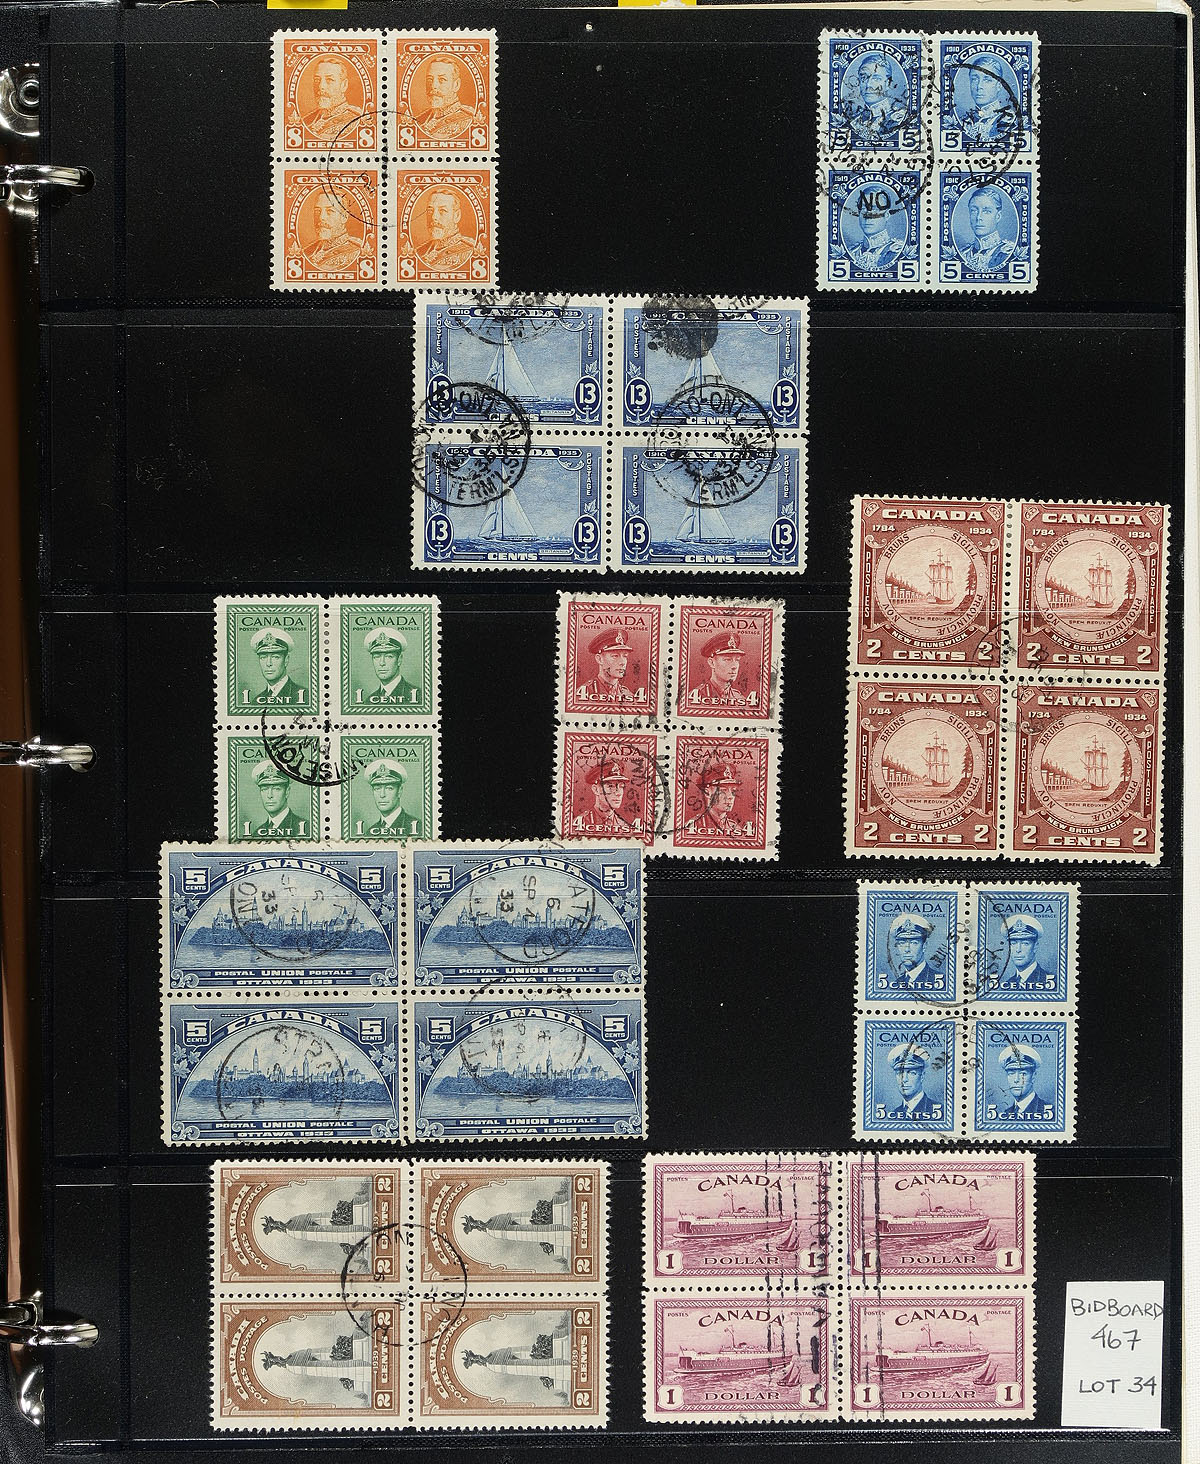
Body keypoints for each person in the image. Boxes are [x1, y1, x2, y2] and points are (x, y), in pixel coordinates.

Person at [843, 52, 910, 143]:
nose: (868, 85)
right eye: (864, 77)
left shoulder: (899, 118)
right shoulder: (854, 122)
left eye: (876, 79)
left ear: (888, 84)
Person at [955, 56, 1019, 144]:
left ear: (999, 85)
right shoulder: (965, 121)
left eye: (987, 80)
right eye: (974, 79)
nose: (979, 86)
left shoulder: (1009, 120)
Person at [414, 56, 479, 142]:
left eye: (442, 79)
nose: (433, 86)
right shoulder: (420, 119)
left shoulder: (469, 119)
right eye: (429, 79)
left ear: (456, 85)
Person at [683, 763, 753, 839]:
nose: (730, 796)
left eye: (733, 791)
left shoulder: (736, 828)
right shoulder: (692, 827)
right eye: (723, 790)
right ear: (707, 793)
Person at [958, 185, 1017, 274]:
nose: (978, 217)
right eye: (974, 211)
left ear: (998, 216)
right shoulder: (963, 253)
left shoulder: (1009, 252)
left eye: (986, 211)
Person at [302, 56, 362, 143]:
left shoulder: (356, 120)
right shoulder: (307, 120)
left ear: (344, 85)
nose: (321, 86)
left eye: (329, 80)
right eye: (317, 80)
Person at [303, 187, 363, 272]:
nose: (321, 217)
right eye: (317, 211)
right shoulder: (307, 251)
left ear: (344, 217)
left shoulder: (356, 251)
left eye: (330, 211)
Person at [847, 186, 905, 272]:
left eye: (875, 210)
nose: (867, 216)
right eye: (863, 209)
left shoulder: (898, 250)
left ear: (887, 215)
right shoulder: (852, 252)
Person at [360, 758, 421, 836]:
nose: (382, 795)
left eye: (389, 788)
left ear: (400, 791)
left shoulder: (418, 828)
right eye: (377, 789)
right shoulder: (369, 834)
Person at [419, 188, 476, 272]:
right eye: (430, 210)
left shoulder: (470, 251)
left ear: (456, 216)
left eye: (442, 210)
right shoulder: (420, 251)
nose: (434, 217)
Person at [994, 914, 1055, 992]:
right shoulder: (1006, 985)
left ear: (1035, 946)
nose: (1018, 949)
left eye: (1025, 943)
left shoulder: (1051, 982)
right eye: (1013, 943)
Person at [362, 626, 421, 705]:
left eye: (389, 656)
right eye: (377, 657)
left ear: (399, 659)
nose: (382, 663)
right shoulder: (369, 701)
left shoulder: (418, 697)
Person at [689, 632, 749, 707]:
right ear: (712, 663)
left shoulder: (740, 699)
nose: (734, 666)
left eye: (737, 660)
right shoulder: (694, 698)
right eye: (727, 660)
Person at [250, 628, 308, 706]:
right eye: (263, 657)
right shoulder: (256, 702)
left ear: (286, 660)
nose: (268, 663)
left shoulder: (305, 697)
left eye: (275, 657)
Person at [576, 629, 636, 703]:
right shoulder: (583, 694)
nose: (622, 662)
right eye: (615, 656)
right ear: (599, 659)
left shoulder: (629, 695)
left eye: (625, 656)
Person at [250, 761, 307, 837]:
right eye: (264, 789)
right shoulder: (256, 834)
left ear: (287, 791)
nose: (269, 795)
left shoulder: (305, 828)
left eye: (276, 789)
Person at [996, 1043, 1051, 1118]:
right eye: (1011, 1073)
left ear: (1033, 1076)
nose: (1016, 1080)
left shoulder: (1048, 1112)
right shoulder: (1006, 1113)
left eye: (1023, 1074)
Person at [578, 759, 631, 835]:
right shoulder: (580, 823)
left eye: (621, 786)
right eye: (610, 786)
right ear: (595, 789)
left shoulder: (624, 825)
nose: (618, 793)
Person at [886, 912, 938, 990]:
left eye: (914, 943)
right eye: (902, 943)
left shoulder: (939, 981)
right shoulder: (896, 984)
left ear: (924, 945)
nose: (907, 949)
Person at [886, 1042, 938, 1120]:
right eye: (900, 1073)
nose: (904, 1079)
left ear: (922, 1076)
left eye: (911, 1073)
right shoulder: (894, 1114)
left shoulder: (938, 1112)